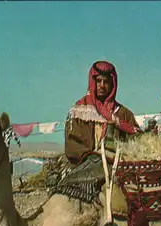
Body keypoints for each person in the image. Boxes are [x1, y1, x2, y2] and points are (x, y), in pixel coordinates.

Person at [56, 61, 141, 203]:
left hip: (117, 168)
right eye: (98, 81)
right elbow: (73, 147)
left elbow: (136, 142)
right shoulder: (79, 111)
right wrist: (96, 157)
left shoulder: (124, 114)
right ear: (92, 81)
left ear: (113, 84)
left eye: (106, 81)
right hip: (85, 166)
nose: (102, 85)